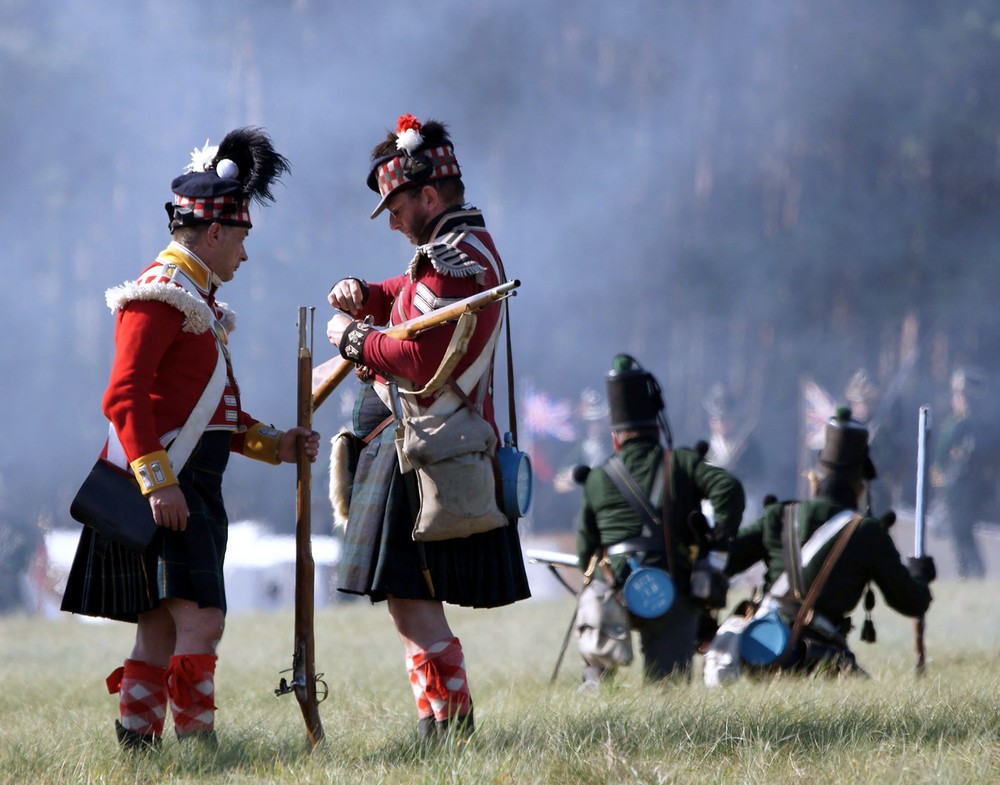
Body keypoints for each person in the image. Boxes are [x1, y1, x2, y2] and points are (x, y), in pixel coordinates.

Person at [60, 128, 320, 749]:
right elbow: (123, 396)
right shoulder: (159, 295)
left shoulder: (195, 300)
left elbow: (208, 412)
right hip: (168, 487)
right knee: (201, 623)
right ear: (213, 234)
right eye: (242, 238)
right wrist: (159, 482)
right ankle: (200, 754)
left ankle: (141, 751)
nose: (245, 255)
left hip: (190, 485)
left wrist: (275, 445)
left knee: (158, 630)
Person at [325, 114, 530, 741]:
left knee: (412, 597)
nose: (390, 217)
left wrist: (354, 340)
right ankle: (439, 720)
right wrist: (367, 293)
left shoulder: (454, 258)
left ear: (429, 196)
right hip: (423, 441)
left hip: (426, 444)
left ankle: (448, 723)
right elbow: (411, 295)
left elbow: (420, 364)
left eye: (396, 204)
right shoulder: (451, 252)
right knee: (408, 597)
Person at [722, 407, 935, 675]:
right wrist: (918, 575)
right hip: (819, 662)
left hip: (760, 661)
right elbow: (912, 602)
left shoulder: (779, 516)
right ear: (861, 481)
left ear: (817, 474)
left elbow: (723, 561)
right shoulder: (867, 533)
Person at [575, 355, 745, 687]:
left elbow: (586, 547)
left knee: (598, 671)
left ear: (615, 438)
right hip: (673, 587)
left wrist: (593, 587)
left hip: (615, 591)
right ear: (656, 428)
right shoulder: (681, 462)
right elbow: (729, 489)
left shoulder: (597, 478)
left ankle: (595, 683)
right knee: (668, 692)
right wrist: (718, 547)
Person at [931, 366, 994, 579]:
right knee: (958, 535)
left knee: (963, 533)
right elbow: (941, 457)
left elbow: (987, 460)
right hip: (953, 487)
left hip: (968, 488)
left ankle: (974, 573)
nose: (958, 399)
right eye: (957, 394)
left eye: (963, 395)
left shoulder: (977, 426)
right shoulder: (954, 423)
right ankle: (966, 574)